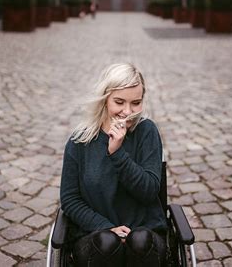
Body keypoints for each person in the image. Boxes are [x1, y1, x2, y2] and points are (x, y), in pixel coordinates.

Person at [60, 63, 167, 267]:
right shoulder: (79, 141)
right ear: (105, 99)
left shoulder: (146, 132)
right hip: (94, 236)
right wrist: (107, 228)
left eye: (136, 103)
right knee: (107, 242)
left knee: (140, 240)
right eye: (119, 102)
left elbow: (150, 190)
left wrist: (117, 153)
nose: (127, 111)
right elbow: (70, 199)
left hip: (146, 233)